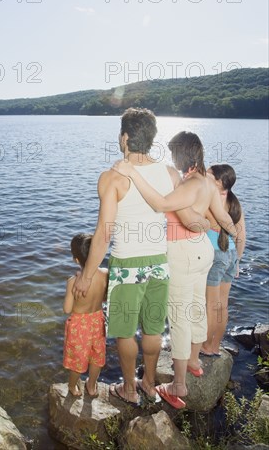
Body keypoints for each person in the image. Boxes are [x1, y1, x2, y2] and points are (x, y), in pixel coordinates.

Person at [73, 109, 209, 406]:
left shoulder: (112, 178)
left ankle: (129, 389)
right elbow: (187, 216)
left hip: (126, 265)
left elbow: (103, 234)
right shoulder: (170, 173)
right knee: (153, 327)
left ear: (124, 137)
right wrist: (206, 224)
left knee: (123, 330)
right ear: (150, 139)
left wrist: (86, 276)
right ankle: (149, 383)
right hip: (159, 263)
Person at [112, 131, 237, 409]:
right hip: (202, 250)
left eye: (173, 154)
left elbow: (160, 204)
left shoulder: (190, 183)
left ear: (183, 154)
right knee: (196, 307)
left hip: (183, 254)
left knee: (180, 317)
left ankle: (178, 384)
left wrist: (132, 172)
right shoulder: (206, 181)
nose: (171, 159)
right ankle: (194, 361)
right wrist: (237, 248)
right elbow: (224, 217)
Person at [201, 164, 246, 357]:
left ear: (219, 182)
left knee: (210, 304)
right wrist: (237, 261)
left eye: (209, 176)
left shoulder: (209, 201)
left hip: (215, 256)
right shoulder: (235, 202)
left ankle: (204, 346)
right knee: (222, 304)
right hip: (230, 255)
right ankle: (214, 345)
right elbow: (242, 235)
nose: (205, 177)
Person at [63, 233, 108, 397]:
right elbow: (105, 298)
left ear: (76, 259)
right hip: (98, 320)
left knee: (77, 359)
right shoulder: (105, 274)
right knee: (97, 356)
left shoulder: (72, 282)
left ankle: (73, 386)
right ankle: (91, 385)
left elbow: (67, 309)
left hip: (79, 326)